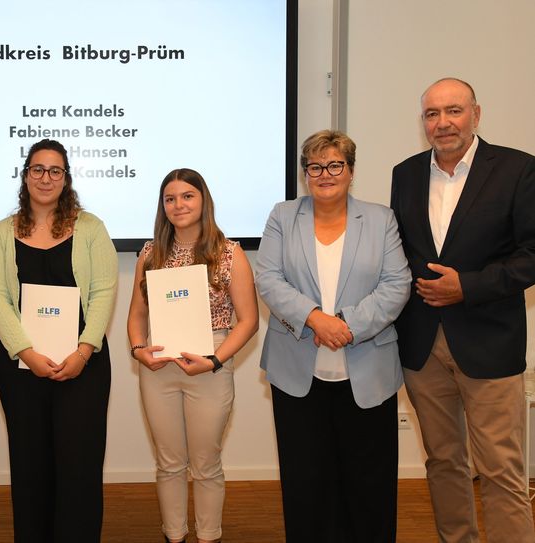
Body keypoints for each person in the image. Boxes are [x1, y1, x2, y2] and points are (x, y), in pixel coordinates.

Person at [390, 78, 535, 542]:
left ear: (476, 113)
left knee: (500, 468)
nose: (443, 123)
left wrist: (466, 287)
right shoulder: (405, 173)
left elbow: (531, 255)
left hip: (489, 344)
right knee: (444, 463)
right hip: (422, 346)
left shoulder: (518, 170)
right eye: (432, 114)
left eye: (453, 111)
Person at [255, 130, 411, 543]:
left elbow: (397, 284)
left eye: (335, 165)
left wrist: (345, 324)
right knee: (306, 484)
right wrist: (314, 319)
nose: (325, 174)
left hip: (368, 371)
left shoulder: (380, 219)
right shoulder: (283, 216)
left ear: (351, 171)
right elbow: (267, 279)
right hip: (297, 371)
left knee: (369, 486)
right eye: (315, 167)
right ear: (305, 174)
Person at [0, 138, 117, 542]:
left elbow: (105, 292)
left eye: (55, 170)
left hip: (84, 366)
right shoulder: (1, 232)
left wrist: (83, 351)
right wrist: (27, 352)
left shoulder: (91, 227)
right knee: (30, 465)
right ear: (25, 176)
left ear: (66, 177)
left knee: (80, 466)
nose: (46, 177)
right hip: (21, 368)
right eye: (38, 169)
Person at [127, 168, 258, 543]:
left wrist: (215, 360)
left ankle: (209, 536)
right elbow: (137, 314)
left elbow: (248, 321)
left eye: (187, 196)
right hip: (159, 365)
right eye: (170, 198)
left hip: (210, 365)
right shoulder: (151, 253)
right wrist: (139, 350)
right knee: (169, 463)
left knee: (205, 464)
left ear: (203, 201)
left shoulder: (229, 253)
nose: (178, 205)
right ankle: (174, 535)